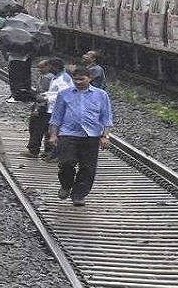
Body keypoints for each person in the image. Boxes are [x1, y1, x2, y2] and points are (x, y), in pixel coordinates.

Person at [48, 67, 113, 207]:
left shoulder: (101, 95)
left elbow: (106, 117)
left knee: (88, 168)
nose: (78, 82)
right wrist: (53, 134)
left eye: (81, 79)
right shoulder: (64, 94)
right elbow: (57, 116)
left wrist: (105, 136)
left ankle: (78, 194)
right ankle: (66, 185)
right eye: (75, 79)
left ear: (89, 79)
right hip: (68, 133)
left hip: (91, 135)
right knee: (66, 162)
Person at [26, 58, 72, 158]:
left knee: (48, 130)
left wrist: (46, 98)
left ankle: (53, 154)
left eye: (50, 66)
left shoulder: (62, 80)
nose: (48, 68)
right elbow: (54, 92)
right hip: (51, 108)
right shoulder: (57, 77)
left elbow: (64, 96)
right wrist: (45, 95)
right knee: (48, 130)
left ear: (55, 67)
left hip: (56, 109)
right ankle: (50, 152)